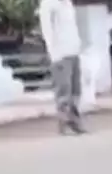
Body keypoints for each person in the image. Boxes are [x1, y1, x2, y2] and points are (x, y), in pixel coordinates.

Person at [39, 0, 86, 135]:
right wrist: (53, 52)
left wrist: (78, 44)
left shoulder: (67, 3)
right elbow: (47, 29)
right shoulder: (48, 4)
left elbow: (72, 26)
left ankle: (75, 120)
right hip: (60, 52)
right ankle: (63, 121)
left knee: (76, 89)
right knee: (63, 89)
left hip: (73, 49)